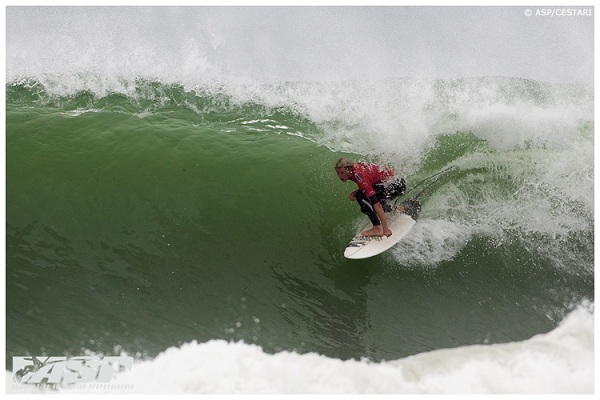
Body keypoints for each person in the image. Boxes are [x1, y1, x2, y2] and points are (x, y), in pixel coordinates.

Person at [335, 157, 407, 237]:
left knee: (362, 198)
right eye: (338, 173)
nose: (339, 176)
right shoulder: (355, 169)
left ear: (348, 169)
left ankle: (377, 228)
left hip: (396, 186)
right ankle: (395, 209)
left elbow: (376, 203)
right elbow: (369, 180)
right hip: (397, 183)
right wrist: (357, 191)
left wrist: (385, 229)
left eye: (341, 172)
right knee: (363, 196)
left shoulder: (358, 175)